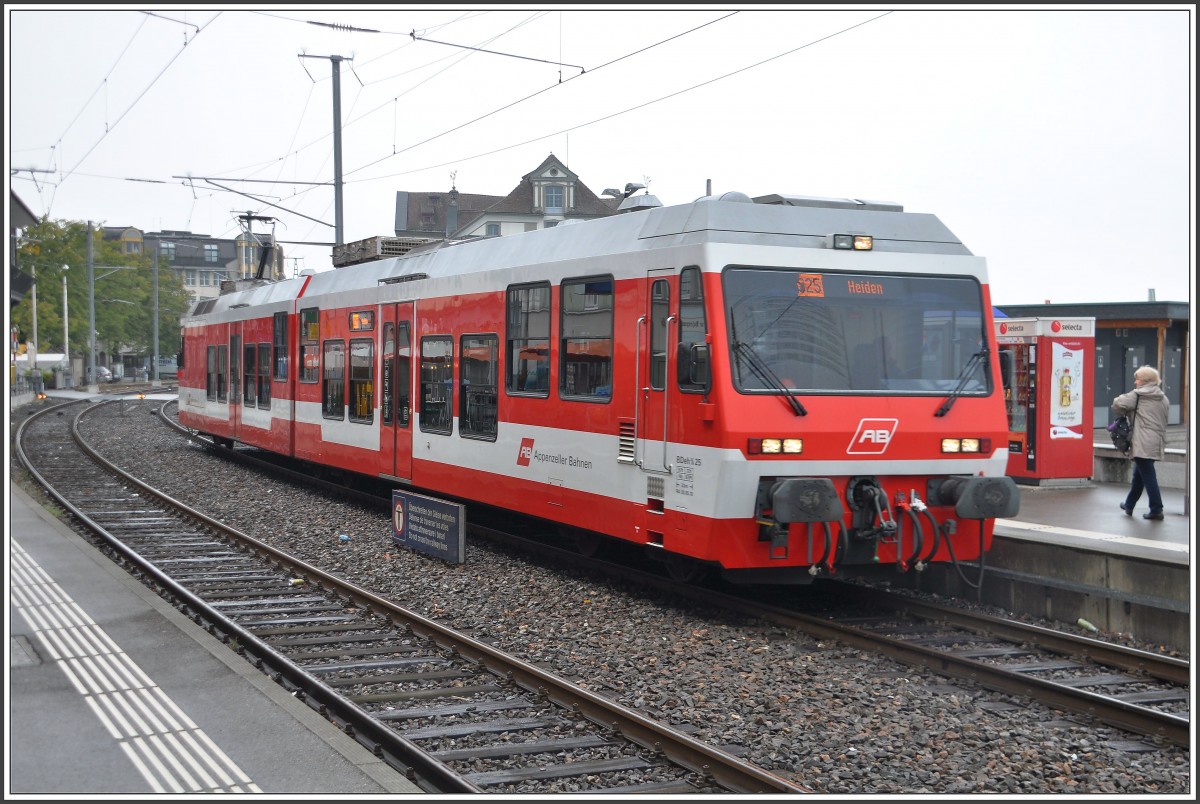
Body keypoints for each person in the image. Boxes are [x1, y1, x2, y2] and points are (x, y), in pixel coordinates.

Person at [1112, 365, 1169, 520]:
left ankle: (1156, 509)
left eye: (1137, 379)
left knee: (1148, 475)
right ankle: (1129, 504)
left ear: (1144, 381)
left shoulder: (1138, 395)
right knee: (1139, 473)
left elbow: (1117, 404)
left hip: (1142, 440)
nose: (1135, 382)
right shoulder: (1163, 398)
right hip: (1156, 439)